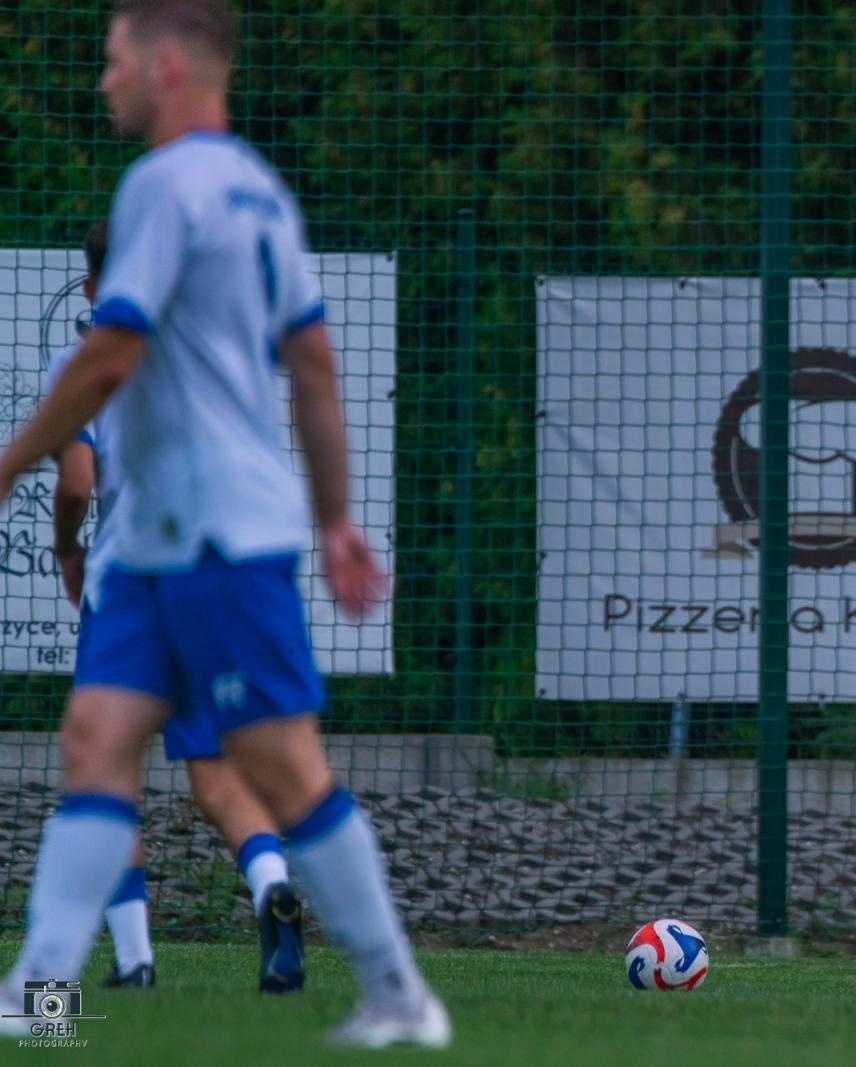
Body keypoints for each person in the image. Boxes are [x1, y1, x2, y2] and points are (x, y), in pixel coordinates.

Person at [0, 0, 449, 1047]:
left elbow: (112, 353)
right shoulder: (259, 191)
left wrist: (9, 459)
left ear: (164, 67)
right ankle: (39, 994)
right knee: (96, 741)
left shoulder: (165, 184)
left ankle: (397, 989)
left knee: (284, 767)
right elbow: (316, 364)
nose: (99, 80)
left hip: (211, 534)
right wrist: (334, 518)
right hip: (162, 538)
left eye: (110, 61)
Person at [48, 219, 305, 994]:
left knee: (106, 772)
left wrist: (68, 546)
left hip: (127, 586)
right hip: (210, 585)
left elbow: (76, 485)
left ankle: (134, 960)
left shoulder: (86, 363)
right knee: (219, 776)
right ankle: (270, 888)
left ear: (92, 287)